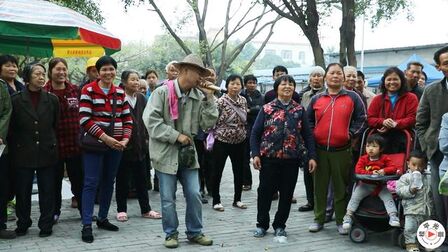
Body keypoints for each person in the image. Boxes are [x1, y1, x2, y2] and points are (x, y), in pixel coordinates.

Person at [142, 54, 217, 248]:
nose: (201, 78)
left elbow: (208, 124)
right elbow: (151, 122)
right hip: (165, 153)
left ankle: (195, 232)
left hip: (187, 154)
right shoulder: (162, 93)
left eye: (203, 74)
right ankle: (170, 234)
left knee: (194, 193)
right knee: (168, 198)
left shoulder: (199, 95)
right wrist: (176, 136)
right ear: (184, 70)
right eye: (197, 73)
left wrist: (210, 98)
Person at [251, 74, 317, 238]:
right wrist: (255, 154)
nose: (287, 86)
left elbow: (308, 136)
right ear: (276, 88)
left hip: (291, 159)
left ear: (294, 88)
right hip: (269, 159)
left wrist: (312, 157)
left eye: (290, 84)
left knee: (287, 194)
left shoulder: (299, 110)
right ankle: (262, 224)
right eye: (283, 84)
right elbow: (255, 133)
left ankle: (280, 225)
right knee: (264, 192)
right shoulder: (267, 109)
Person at [307, 63, 367, 234]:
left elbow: (362, 119)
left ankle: (341, 221)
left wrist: (350, 134)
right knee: (320, 187)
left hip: (342, 150)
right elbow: (307, 121)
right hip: (319, 150)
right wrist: (314, 134)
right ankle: (318, 219)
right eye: (332, 73)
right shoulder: (316, 99)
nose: (335, 76)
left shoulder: (353, 97)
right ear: (326, 77)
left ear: (343, 77)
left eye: (338, 73)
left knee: (341, 187)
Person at [79, 55, 133, 243]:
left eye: (111, 69)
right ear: (98, 72)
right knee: (91, 183)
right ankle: (87, 224)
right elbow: (85, 119)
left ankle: (102, 218)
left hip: (117, 146)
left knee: (109, 181)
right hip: (95, 145)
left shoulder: (120, 92)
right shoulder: (88, 90)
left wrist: (125, 139)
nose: (108, 72)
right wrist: (106, 138)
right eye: (104, 69)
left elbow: (127, 119)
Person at [9, 63, 59, 237]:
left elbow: (55, 125)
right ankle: (23, 222)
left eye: (43, 74)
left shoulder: (52, 99)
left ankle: (46, 224)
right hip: (23, 151)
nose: (41, 77)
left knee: (47, 190)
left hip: (47, 151)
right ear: (27, 77)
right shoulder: (16, 99)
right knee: (23, 191)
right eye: (37, 74)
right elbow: (12, 128)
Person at [115, 70, 161, 222]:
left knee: (142, 179)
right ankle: (121, 209)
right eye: (132, 80)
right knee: (122, 179)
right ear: (124, 82)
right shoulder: (118, 97)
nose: (136, 82)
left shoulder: (141, 98)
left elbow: (148, 119)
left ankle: (146, 209)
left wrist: (147, 139)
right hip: (123, 146)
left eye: (137, 80)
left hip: (141, 146)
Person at [43, 58, 83, 223]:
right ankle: (54, 212)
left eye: (64, 69)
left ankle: (84, 211)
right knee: (54, 183)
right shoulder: (44, 91)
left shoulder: (75, 90)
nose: (61, 72)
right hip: (54, 145)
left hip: (76, 144)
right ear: (50, 72)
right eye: (57, 69)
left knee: (79, 180)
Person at [416, 46, 448, 238]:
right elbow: (420, 123)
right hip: (438, 153)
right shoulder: (431, 90)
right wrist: (428, 146)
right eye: (446, 63)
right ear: (439, 68)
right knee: (441, 197)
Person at [342, 134, 400, 231]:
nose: (370, 149)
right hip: (365, 185)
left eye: (374, 146)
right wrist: (370, 173)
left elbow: (393, 168)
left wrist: (384, 171)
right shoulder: (363, 159)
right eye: (368, 146)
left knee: (388, 198)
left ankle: (393, 216)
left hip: (380, 186)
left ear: (381, 149)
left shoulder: (384, 158)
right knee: (355, 196)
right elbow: (358, 170)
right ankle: (348, 215)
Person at [210, 74, 248, 212]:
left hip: (239, 141)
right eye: (232, 83)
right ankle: (216, 200)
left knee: (239, 171)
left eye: (238, 84)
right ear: (227, 86)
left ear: (241, 86)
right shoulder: (220, 101)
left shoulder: (243, 100)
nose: (235, 86)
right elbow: (214, 120)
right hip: (222, 140)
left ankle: (237, 199)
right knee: (217, 171)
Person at [367, 67, 418, 154]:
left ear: (402, 80)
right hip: (380, 138)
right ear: (384, 81)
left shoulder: (411, 98)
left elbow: (413, 118)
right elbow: (370, 118)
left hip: (403, 136)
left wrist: (395, 124)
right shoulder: (377, 99)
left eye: (395, 79)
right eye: (389, 79)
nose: (392, 82)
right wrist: (383, 122)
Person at [0, 55, 24, 221]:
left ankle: (11, 203)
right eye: (8, 66)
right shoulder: (1, 87)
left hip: (20, 140)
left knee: (16, 175)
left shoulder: (21, 86)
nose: (12, 69)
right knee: (4, 177)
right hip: (4, 140)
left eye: (14, 66)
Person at [298, 66, 325, 212]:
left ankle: (322, 202)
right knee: (308, 170)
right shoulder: (305, 95)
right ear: (310, 79)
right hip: (307, 137)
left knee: (322, 172)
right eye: (314, 76)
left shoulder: (327, 94)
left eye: (319, 76)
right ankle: (310, 201)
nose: (316, 78)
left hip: (323, 136)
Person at [396, 150, 433, 252]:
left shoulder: (428, 177)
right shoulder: (405, 177)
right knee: (410, 228)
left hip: (426, 209)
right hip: (411, 209)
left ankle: (426, 242)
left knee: (426, 227)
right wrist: (410, 190)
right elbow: (399, 190)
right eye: (414, 165)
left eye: (420, 165)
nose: (417, 168)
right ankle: (411, 244)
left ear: (425, 165)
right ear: (408, 164)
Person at [240, 74, 264, 191]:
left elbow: (262, 108)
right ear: (245, 84)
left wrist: (250, 109)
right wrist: (253, 109)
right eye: (249, 82)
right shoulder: (241, 95)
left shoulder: (260, 95)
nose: (252, 85)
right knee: (244, 157)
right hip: (244, 129)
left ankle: (263, 182)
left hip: (258, 129)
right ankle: (246, 182)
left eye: (254, 82)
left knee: (260, 156)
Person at [0, 79, 14, 239]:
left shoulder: (1, 86)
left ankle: (1, 224)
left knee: (2, 186)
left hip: (1, 145)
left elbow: (6, 111)